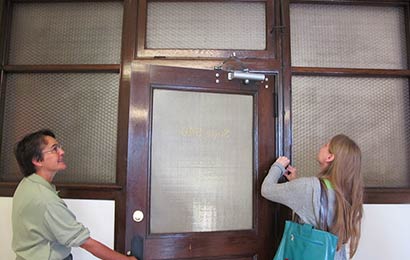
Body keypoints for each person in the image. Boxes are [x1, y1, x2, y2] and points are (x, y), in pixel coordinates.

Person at [12, 129, 137, 260]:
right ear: (37, 160)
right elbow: (85, 242)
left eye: (59, 147)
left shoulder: (27, 184)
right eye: (54, 149)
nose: (62, 152)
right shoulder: (44, 199)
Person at [261, 134, 363, 260]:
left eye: (326, 145)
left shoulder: (308, 187)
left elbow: (266, 190)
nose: (322, 146)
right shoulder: (349, 192)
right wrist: (295, 182)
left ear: (330, 157)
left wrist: (278, 166)